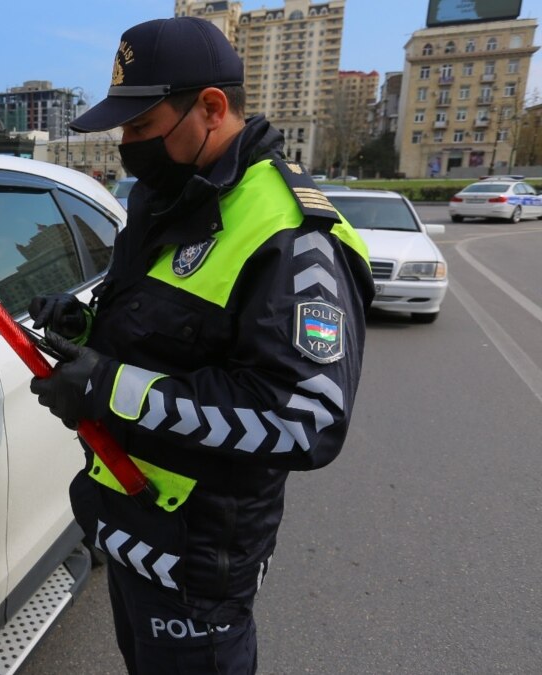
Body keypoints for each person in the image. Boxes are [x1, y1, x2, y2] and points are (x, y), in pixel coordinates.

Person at [27, 17, 374, 675]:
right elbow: (164, 334)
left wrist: (106, 387)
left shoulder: (293, 237)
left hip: (199, 560)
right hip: (130, 525)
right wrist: (84, 332)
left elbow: (306, 420)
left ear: (211, 107)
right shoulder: (172, 200)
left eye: (139, 127)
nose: (127, 146)